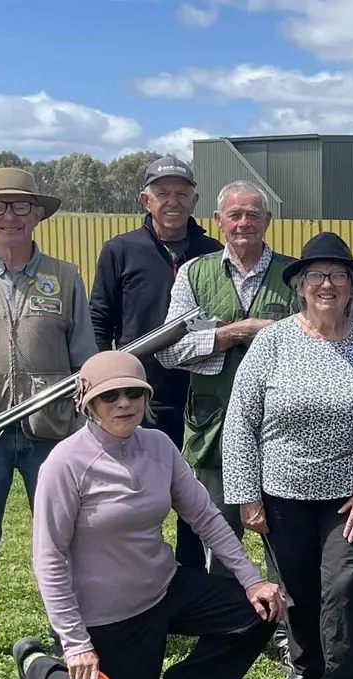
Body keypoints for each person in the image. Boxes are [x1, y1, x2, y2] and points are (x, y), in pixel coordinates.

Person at [12, 351, 282, 679]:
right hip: (109, 613)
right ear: (87, 403)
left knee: (261, 610)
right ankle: (36, 665)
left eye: (133, 394)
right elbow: (49, 559)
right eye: (110, 396)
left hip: (165, 587)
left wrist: (252, 580)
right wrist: (74, 644)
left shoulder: (159, 445)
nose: (123, 403)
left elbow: (205, 517)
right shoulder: (65, 463)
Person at [223, 232, 353, 679]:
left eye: (338, 276)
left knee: (345, 587)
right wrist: (246, 496)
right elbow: (240, 419)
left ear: (352, 287)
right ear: (302, 286)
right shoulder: (273, 341)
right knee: (297, 587)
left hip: (352, 497)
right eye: (317, 276)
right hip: (283, 492)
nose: (327, 284)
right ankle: (305, 668)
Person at [0, 167, 96, 659]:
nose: (9, 216)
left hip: (52, 428)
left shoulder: (64, 276)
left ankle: (67, 628)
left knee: (63, 534)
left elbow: (83, 354)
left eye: (21, 206)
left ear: (38, 215)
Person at [89, 156, 223, 572]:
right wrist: (99, 377)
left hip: (202, 391)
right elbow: (100, 318)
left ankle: (191, 582)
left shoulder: (213, 254)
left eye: (182, 193)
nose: (173, 201)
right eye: (162, 193)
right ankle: (138, 577)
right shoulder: (120, 250)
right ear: (144, 199)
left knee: (196, 492)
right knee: (136, 491)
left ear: (194, 200)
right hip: (139, 394)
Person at [155, 181, 296, 577]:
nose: (244, 223)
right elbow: (168, 350)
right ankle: (232, 627)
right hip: (212, 426)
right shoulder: (193, 275)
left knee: (283, 535)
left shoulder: (295, 275)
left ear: (268, 220)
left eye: (253, 214)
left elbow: (314, 346)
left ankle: (287, 627)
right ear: (218, 221)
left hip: (280, 429)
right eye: (235, 215)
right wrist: (235, 333)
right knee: (218, 535)